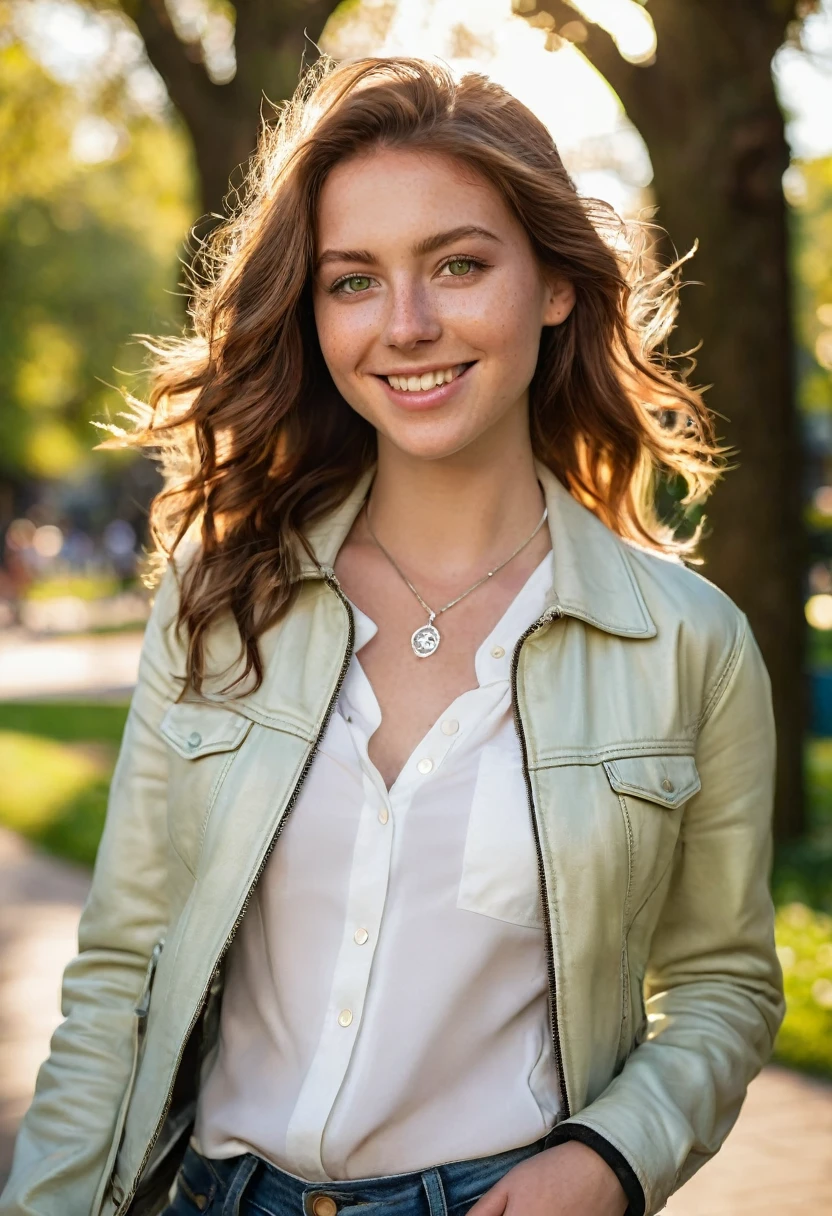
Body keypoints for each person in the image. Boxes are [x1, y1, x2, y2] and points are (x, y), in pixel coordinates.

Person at [0, 56, 784, 1216]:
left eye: (459, 265)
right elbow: (122, 971)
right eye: (353, 281)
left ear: (555, 285)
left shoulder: (686, 644)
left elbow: (722, 983)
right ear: (313, 313)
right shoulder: (224, 600)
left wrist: (612, 1159)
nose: (407, 327)